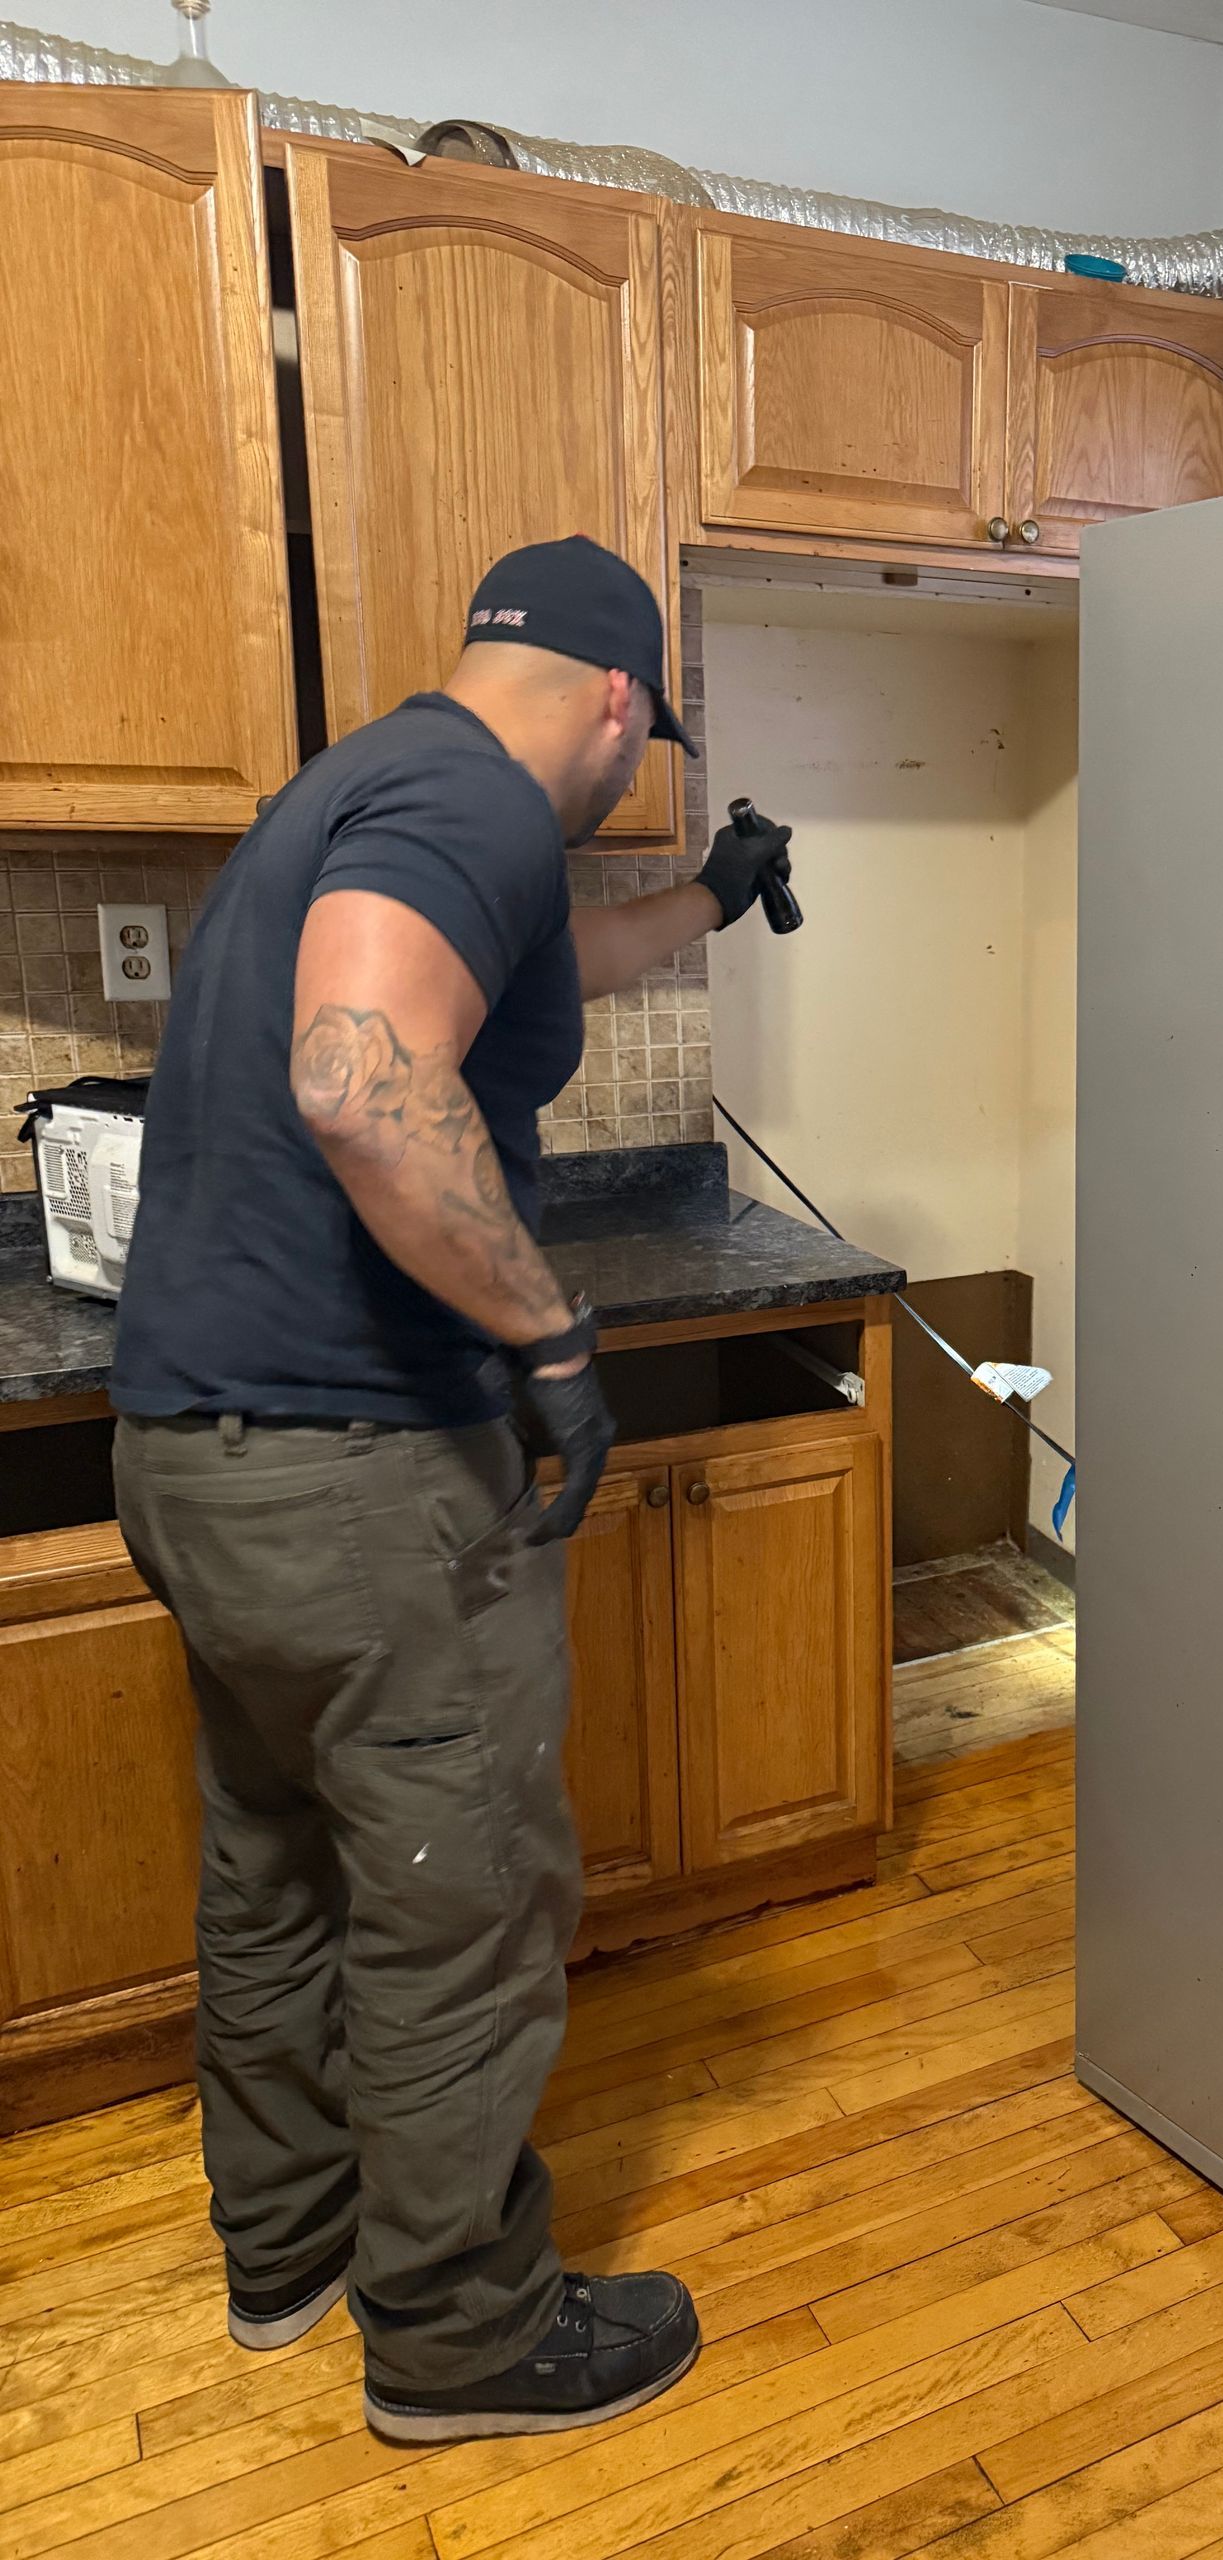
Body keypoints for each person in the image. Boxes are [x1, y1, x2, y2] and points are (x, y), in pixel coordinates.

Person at [110, 537, 795, 2446]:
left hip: (197, 1454)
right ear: (609, 704)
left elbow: (533, 960)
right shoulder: (483, 800)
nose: (615, 780)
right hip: (360, 1466)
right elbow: (359, 1070)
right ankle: (461, 2334)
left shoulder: (366, 781)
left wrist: (707, 900)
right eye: (634, 750)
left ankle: (295, 2251)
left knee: (280, 1866)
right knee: (456, 1894)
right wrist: (550, 1335)